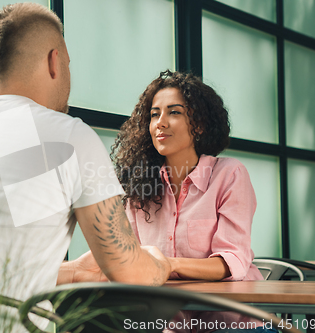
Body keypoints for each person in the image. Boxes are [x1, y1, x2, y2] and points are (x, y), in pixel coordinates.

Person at [0, 3, 171, 330]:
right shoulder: (69, 136)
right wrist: (160, 262)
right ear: (54, 61)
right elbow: (131, 272)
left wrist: (72, 271)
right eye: (69, 64)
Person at [111, 70, 267, 332]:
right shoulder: (138, 188)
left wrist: (168, 265)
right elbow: (130, 259)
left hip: (234, 325)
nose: (160, 122)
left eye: (174, 112)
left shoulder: (229, 174)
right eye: (154, 114)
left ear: (199, 124)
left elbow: (231, 262)